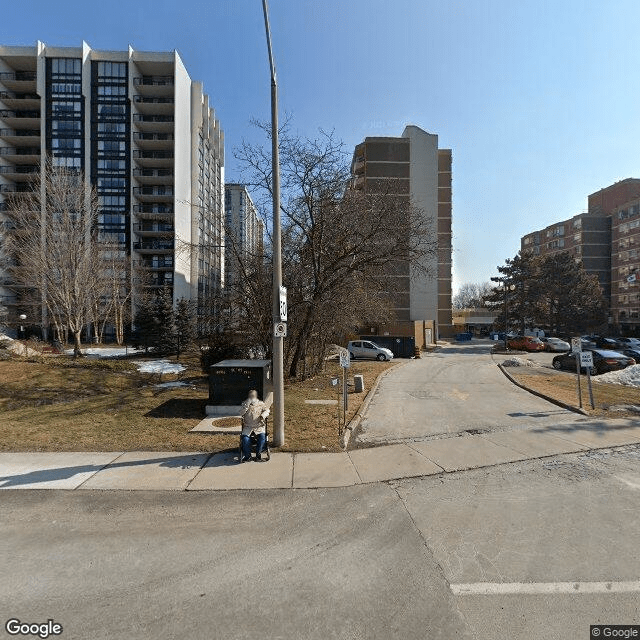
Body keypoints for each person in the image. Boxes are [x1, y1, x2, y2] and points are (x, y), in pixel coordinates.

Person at [240, 390, 270, 462]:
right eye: (251, 396)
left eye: (253, 395)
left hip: (259, 426)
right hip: (248, 426)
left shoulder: (261, 404)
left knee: (262, 438)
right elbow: (241, 413)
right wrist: (246, 406)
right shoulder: (245, 404)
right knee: (245, 439)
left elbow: (267, 410)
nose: (252, 397)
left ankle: (258, 455)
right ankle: (248, 456)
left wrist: (263, 415)